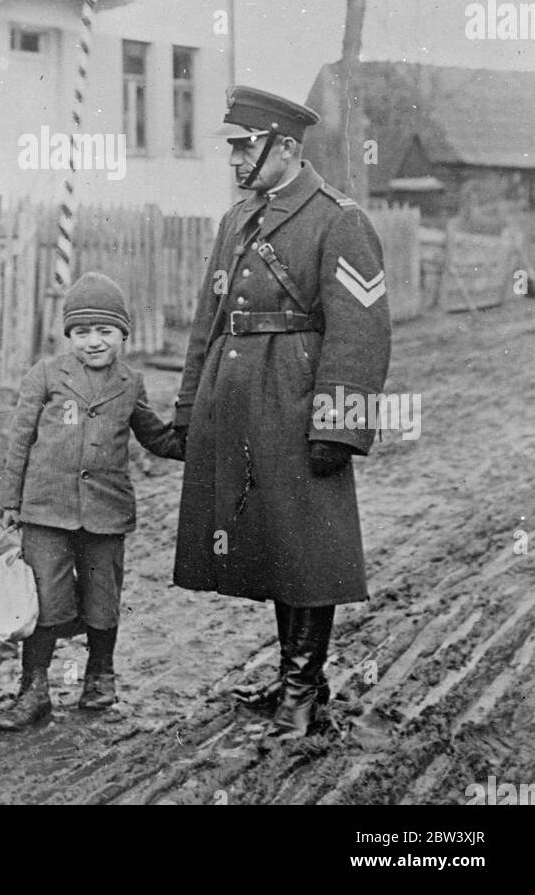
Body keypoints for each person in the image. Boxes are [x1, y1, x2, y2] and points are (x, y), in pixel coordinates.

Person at [172, 86, 392, 738]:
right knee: (271, 542)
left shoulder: (337, 219)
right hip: (236, 400)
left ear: (287, 148)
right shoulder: (236, 221)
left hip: (297, 403)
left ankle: (300, 692)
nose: (236, 160)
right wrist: (189, 411)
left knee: (308, 547)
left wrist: (338, 423)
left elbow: (361, 331)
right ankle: (301, 680)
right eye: (235, 148)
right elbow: (206, 322)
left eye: (246, 147)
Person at [0, 271, 185, 731]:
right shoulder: (45, 375)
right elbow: (20, 439)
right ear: (68, 336)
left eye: (104, 331)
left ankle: (100, 677)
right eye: (82, 332)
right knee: (45, 599)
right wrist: (11, 500)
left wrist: (199, 435)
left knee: (103, 596)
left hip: (105, 510)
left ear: (123, 333)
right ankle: (34, 689)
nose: (93, 342)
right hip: (46, 508)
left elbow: (157, 437)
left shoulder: (131, 381)